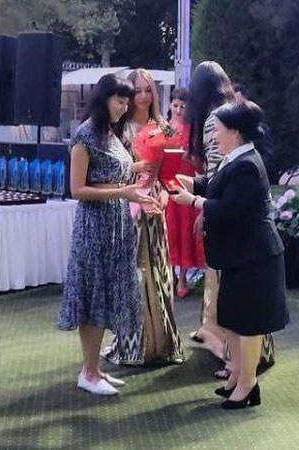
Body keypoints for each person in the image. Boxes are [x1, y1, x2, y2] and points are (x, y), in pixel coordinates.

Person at [171, 101, 288, 409]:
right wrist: (191, 182)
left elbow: (229, 209)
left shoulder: (248, 163)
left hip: (254, 256)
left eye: (218, 130)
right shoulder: (235, 158)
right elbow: (217, 186)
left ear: (235, 132)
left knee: (247, 323)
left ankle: (248, 384)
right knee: (233, 320)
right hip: (238, 256)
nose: (213, 136)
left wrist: (193, 201)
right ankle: (237, 375)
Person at [57, 74, 158, 395]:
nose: (125, 106)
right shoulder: (85, 135)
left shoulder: (111, 133)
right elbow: (77, 189)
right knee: (93, 296)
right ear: (104, 99)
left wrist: (137, 169)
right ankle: (88, 372)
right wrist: (123, 191)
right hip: (94, 227)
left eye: (127, 101)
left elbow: (112, 172)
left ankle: (94, 369)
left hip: (116, 225)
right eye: (120, 100)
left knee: (105, 295)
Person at [186, 62, 276, 379]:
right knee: (249, 299)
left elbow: (217, 172)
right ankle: (251, 359)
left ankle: (235, 363)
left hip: (229, 219)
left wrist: (203, 208)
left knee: (230, 297)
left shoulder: (217, 120)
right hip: (249, 218)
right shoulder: (237, 110)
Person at [101, 68, 184, 366]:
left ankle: (161, 342)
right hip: (127, 208)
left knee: (158, 273)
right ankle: (132, 344)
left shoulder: (164, 128)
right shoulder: (117, 130)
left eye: (148, 90)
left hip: (155, 209)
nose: (143, 96)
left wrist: (163, 197)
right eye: (137, 91)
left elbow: (171, 176)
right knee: (131, 275)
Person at [164, 87, 205, 298]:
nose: (179, 110)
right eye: (175, 105)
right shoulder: (163, 127)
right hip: (166, 184)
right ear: (170, 106)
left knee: (185, 230)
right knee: (169, 230)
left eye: (183, 106)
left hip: (186, 185)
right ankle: (169, 273)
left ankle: (183, 277)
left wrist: (190, 157)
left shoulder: (194, 131)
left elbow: (201, 164)